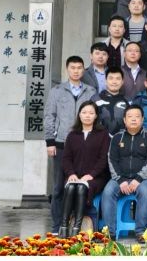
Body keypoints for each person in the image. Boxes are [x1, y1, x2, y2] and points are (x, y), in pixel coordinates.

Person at [44, 56, 97, 233]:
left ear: (83, 69)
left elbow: (95, 114)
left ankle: (75, 224)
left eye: (79, 68)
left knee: (79, 185)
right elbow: (49, 116)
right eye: (73, 68)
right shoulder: (57, 91)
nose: (76, 71)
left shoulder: (90, 91)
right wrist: (50, 141)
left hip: (84, 144)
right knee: (59, 186)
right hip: (61, 143)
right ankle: (56, 226)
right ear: (67, 69)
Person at [102, 105, 147, 241]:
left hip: (143, 179)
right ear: (124, 120)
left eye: (137, 116)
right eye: (130, 116)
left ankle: (141, 232)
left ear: (142, 119)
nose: (133, 119)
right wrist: (120, 180)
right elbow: (112, 159)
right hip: (120, 178)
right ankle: (109, 233)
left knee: (145, 192)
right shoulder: (117, 137)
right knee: (108, 192)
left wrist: (139, 178)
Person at [58, 101, 110, 237]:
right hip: (74, 175)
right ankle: (64, 226)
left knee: (81, 187)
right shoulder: (72, 135)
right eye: (84, 112)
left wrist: (91, 174)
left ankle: (77, 227)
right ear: (79, 115)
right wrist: (71, 174)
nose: (87, 116)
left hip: (96, 178)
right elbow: (66, 158)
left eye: (91, 113)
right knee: (70, 187)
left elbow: (103, 159)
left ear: (96, 116)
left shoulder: (103, 134)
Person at [92, 67, 128, 136]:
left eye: (118, 79)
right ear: (105, 81)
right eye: (111, 78)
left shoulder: (126, 101)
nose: (114, 82)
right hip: (99, 138)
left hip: (121, 139)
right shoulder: (95, 99)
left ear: (122, 82)